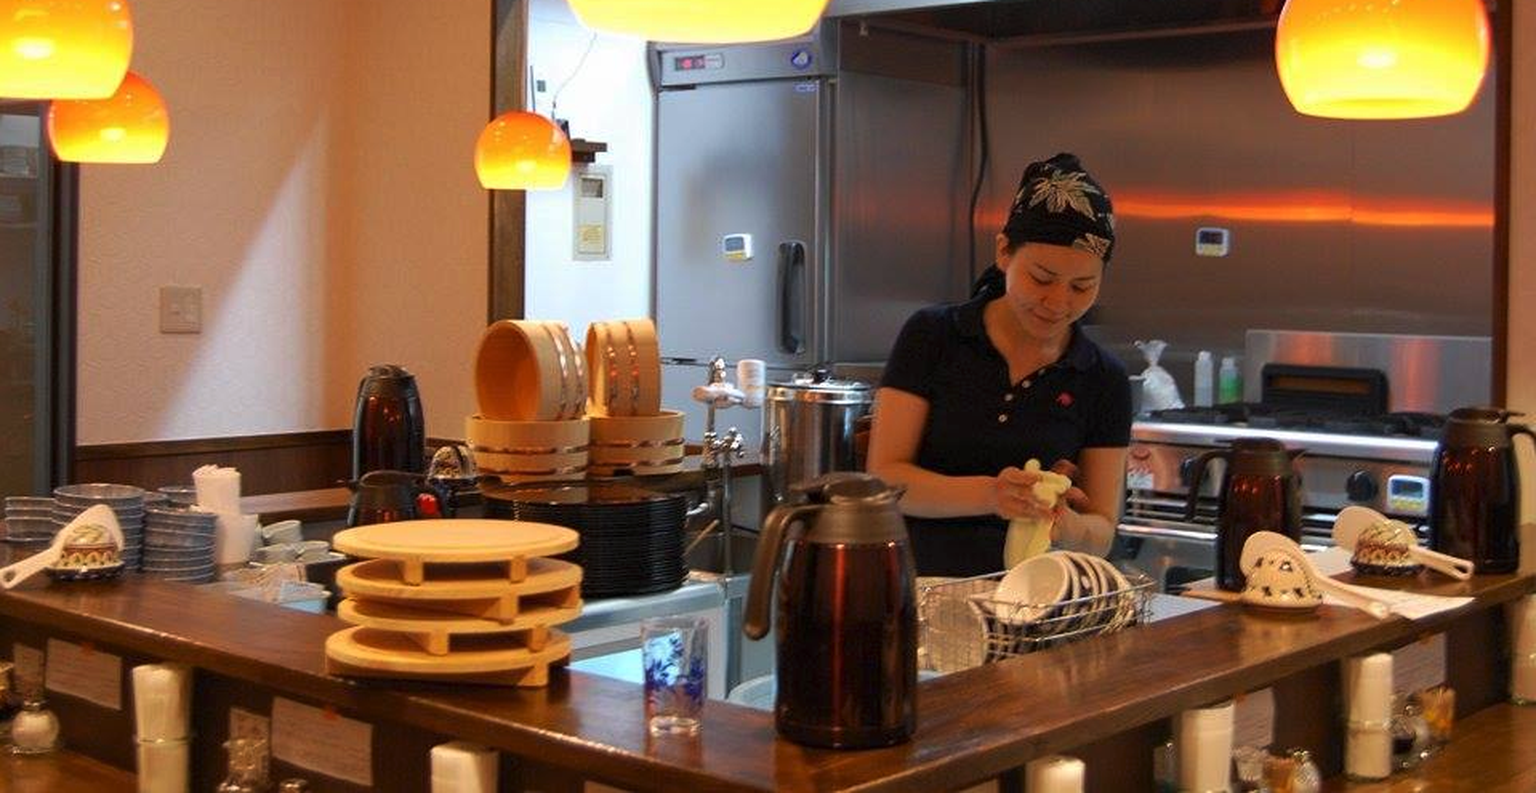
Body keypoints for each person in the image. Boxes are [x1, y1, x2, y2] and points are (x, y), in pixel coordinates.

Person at [866, 152, 1131, 577]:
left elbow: (1101, 531)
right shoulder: (933, 335)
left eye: (1082, 286)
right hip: (920, 588)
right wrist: (992, 495)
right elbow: (885, 479)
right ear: (1004, 251)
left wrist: (1062, 521)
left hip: (1036, 599)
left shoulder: (1103, 378)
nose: (1058, 302)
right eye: (1041, 278)